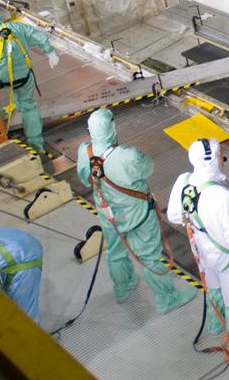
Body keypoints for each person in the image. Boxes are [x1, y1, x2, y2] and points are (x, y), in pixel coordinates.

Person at [76, 108, 196, 314]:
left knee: (115, 252)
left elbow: (83, 178)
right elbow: (148, 168)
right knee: (149, 256)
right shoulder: (128, 155)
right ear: (112, 127)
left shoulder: (84, 151)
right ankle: (167, 298)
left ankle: (123, 287)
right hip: (138, 214)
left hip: (109, 215)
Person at [167, 137, 229, 348]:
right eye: (219, 154)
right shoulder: (220, 195)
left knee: (212, 286)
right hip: (225, 255)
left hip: (202, 251)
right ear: (212, 159)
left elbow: (175, 216)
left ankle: (215, 323)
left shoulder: (184, 181)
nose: (223, 158)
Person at [0, 6, 59, 152]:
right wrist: (50, 53)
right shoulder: (18, 27)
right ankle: (36, 144)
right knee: (29, 106)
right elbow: (40, 37)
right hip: (24, 77)